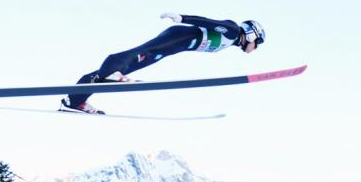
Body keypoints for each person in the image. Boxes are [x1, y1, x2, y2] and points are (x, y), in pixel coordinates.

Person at [61, 13, 266, 114]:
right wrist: (181, 17)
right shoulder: (231, 31)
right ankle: (111, 70)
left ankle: (74, 101)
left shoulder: (231, 42)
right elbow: (210, 23)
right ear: (251, 34)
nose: (255, 47)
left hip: (178, 46)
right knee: (139, 53)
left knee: (133, 65)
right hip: (179, 36)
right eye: (257, 42)